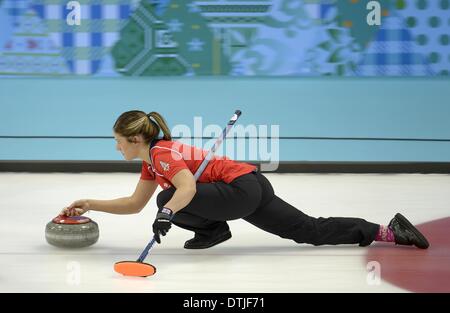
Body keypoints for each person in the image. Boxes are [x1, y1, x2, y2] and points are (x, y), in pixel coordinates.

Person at [61, 110, 430, 250]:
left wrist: (167, 213)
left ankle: (212, 231)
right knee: (309, 230)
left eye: (118, 142)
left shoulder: (162, 154)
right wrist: (89, 203)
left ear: (136, 140)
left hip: (240, 190)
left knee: (167, 200)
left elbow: (186, 189)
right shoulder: (151, 163)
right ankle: (388, 231)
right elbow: (133, 204)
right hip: (249, 187)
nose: (116, 147)